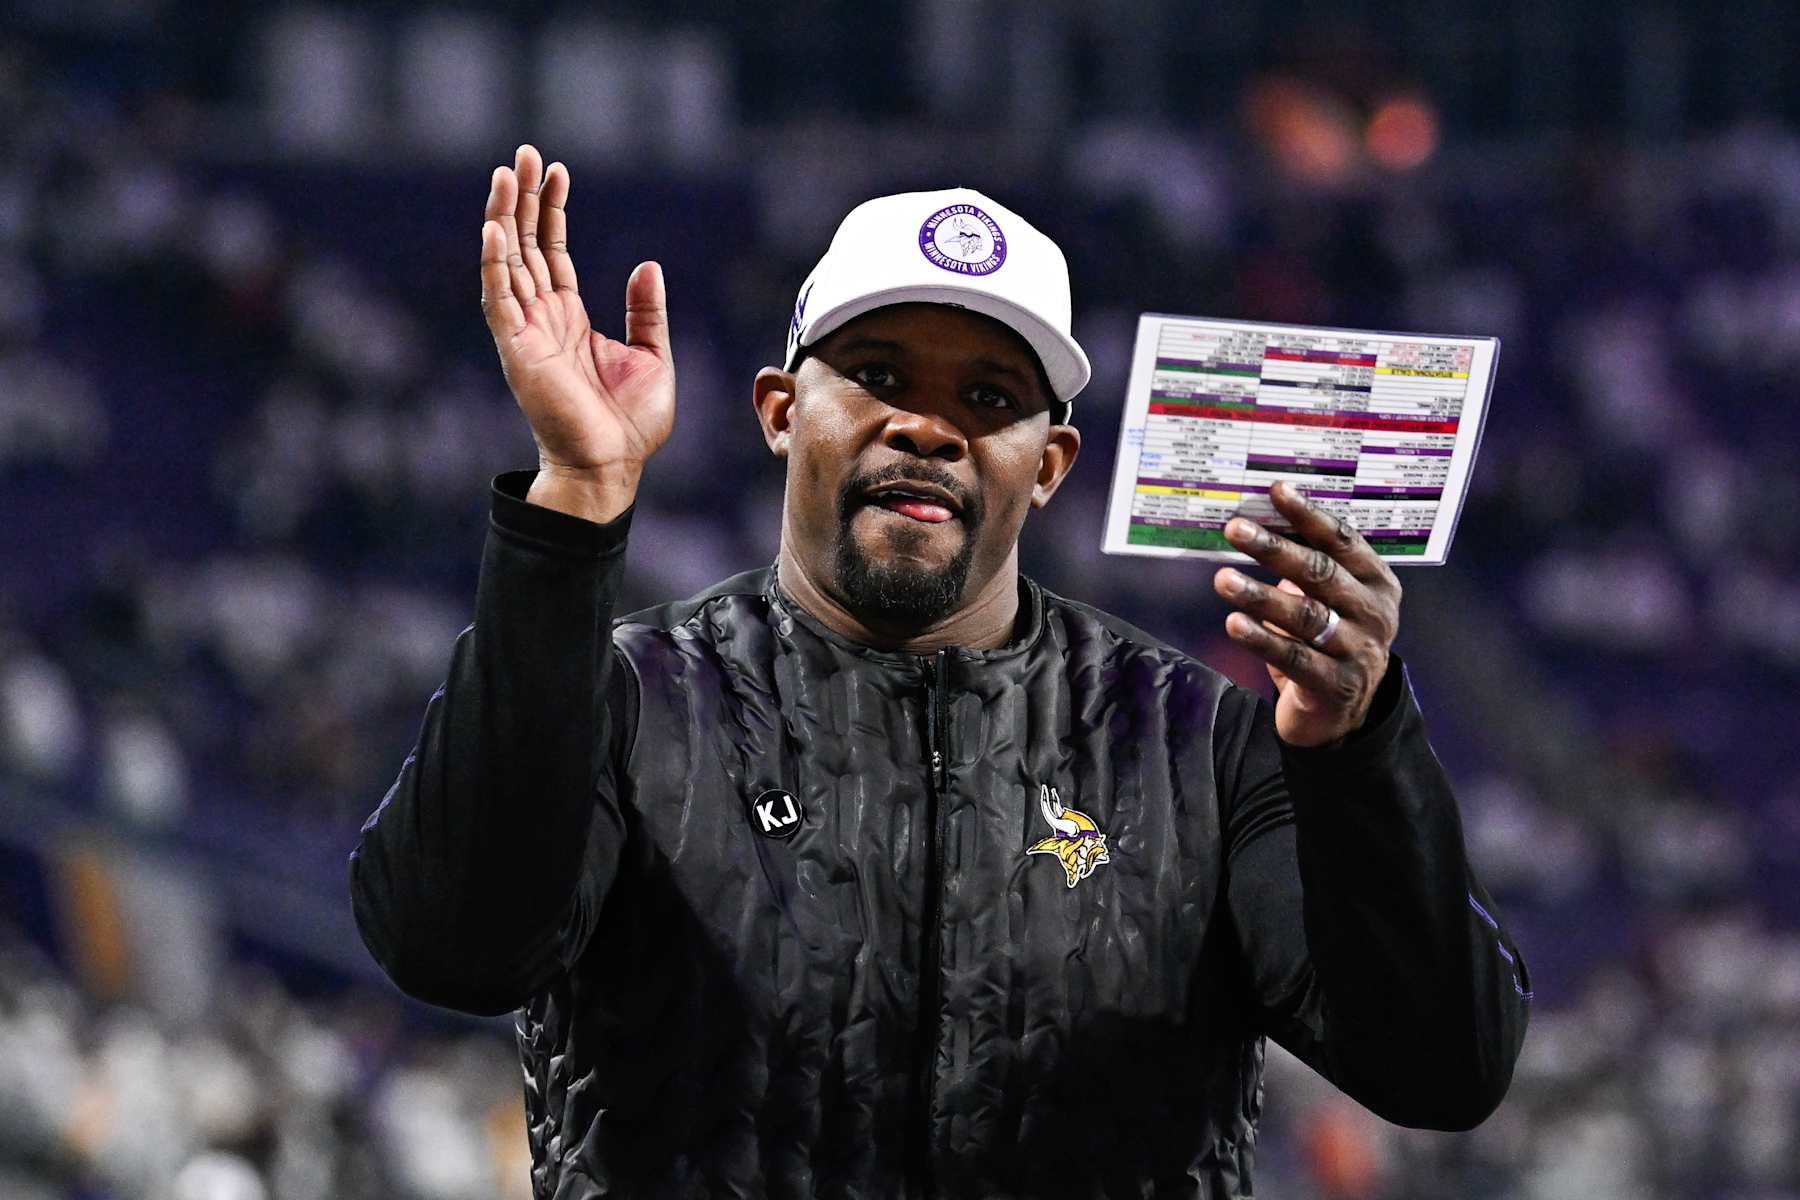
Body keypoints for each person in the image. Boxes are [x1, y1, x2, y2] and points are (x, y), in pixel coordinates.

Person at [349, 144, 1530, 1198]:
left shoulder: (1197, 745)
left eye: (988, 398)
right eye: (876, 374)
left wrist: (1357, 747)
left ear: (1051, 461)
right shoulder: (629, 701)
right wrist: (574, 511)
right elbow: (451, 945)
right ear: (778, 411)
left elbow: (1440, 1068)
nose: (927, 426)